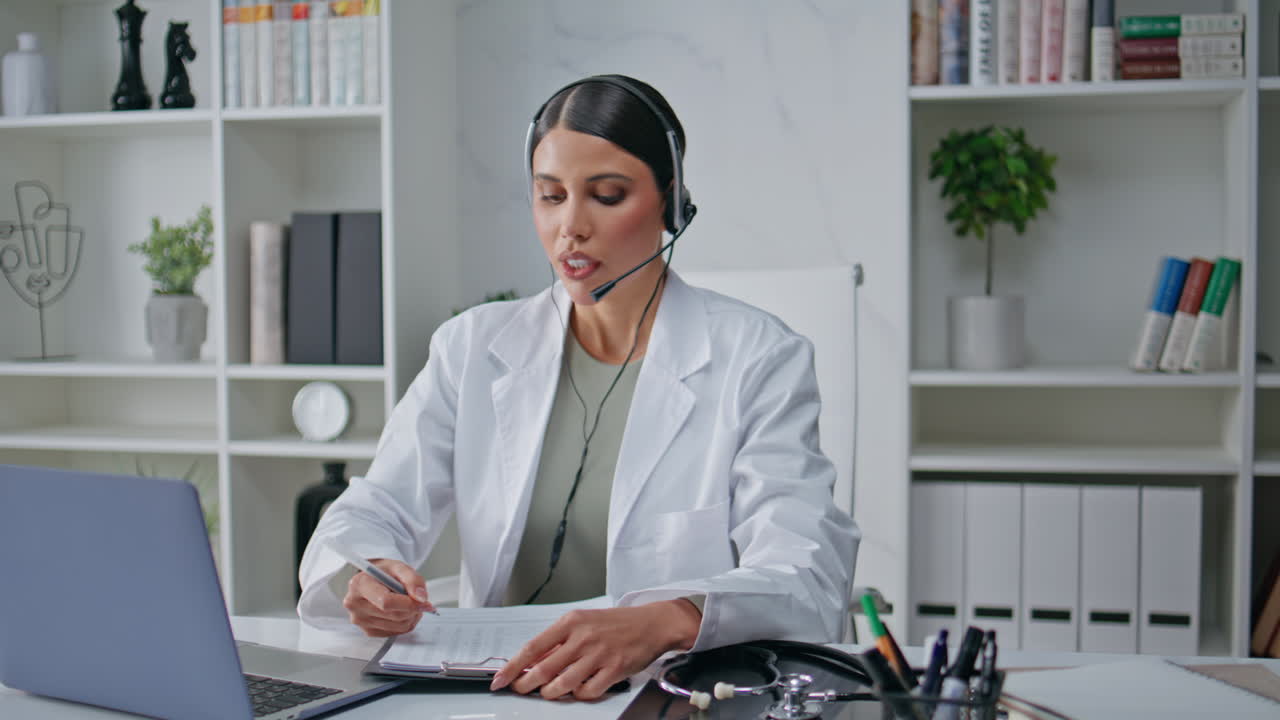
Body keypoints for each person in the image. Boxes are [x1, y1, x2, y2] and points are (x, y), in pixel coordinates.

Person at [297, 74, 859, 701]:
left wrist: (671, 619)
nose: (572, 227)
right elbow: (374, 508)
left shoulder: (759, 359)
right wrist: (370, 572)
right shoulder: (470, 348)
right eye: (550, 195)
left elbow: (807, 573)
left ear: (671, 203)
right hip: (497, 696)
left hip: (666, 698)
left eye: (608, 194)